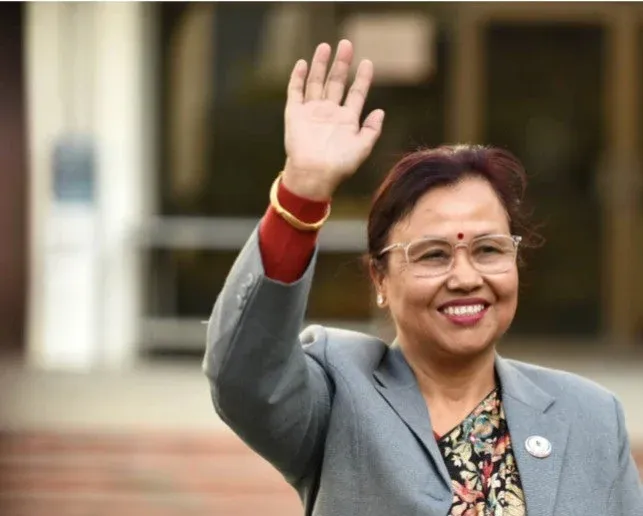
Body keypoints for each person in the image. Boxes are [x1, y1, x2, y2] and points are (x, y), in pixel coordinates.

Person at [203, 40, 643, 516]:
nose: (465, 277)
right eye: (433, 255)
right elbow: (245, 377)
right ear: (380, 278)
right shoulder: (338, 393)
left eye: (488, 249)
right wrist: (302, 192)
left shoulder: (590, 417)